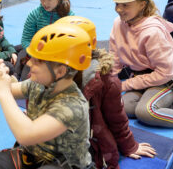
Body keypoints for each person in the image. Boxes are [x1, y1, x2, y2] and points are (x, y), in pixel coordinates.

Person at [0, 23, 95, 169]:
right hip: (33, 157)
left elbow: (26, 135)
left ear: (60, 71)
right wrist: (1, 78)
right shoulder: (39, 83)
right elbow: (10, 90)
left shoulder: (73, 105)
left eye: (37, 61)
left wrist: (3, 91)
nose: (29, 63)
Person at [56, 16, 156, 169]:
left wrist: (129, 146)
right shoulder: (48, 74)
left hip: (89, 143)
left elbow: (117, 119)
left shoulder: (106, 81)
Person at [110, 0, 173, 128]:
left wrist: (127, 85)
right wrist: (108, 83)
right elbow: (114, 59)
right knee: (119, 108)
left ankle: (160, 102)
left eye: (125, 5)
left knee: (146, 112)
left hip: (165, 81)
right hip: (142, 79)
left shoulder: (152, 32)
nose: (119, 9)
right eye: (117, 4)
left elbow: (165, 73)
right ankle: (162, 103)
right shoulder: (117, 23)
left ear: (142, 4)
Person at [15, 0, 74, 81]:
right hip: (36, 53)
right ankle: (14, 76)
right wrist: (35, 54)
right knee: (23, 57)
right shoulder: (35, 15)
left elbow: (72, 43)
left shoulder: (69, 17)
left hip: (57, 57)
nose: (45, 3)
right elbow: (26, 40)